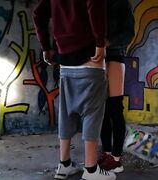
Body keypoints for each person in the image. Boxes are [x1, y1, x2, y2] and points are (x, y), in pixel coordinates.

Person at [32, 0, 116, 180]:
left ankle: (64, 165)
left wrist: (46, 47)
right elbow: (95, 5)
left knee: (66, 113)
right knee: (92, 114)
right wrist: (100, 43)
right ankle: (91, 170)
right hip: (90, 59)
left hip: (65, 63)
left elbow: (38, 13)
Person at [98, 0, 135, 173]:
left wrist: (107, 41)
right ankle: (107, 153)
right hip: (97, 58)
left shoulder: (122, 4)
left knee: (115, 109)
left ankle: (116, 158)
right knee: (102, 110)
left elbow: (128, 33)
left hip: (114, 56)